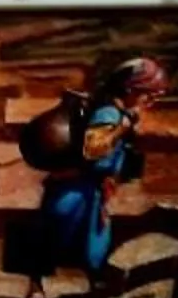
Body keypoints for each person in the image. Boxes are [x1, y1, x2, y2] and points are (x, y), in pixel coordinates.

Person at [32, 56, 167, 277]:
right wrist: (122, 128)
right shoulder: (108, 113)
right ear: (129, 89)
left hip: (91, 188)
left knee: (91, 241)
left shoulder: (121, 112)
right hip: (76, 190)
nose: (151, 101)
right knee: (61, 239)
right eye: (148, 94)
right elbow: (94, 149)